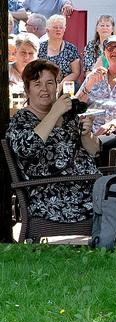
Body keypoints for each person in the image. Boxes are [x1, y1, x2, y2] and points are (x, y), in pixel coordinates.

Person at [6, 60, 100, 223]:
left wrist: (86, 135)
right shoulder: (21, 120)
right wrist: (54, 113)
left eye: (50, 82)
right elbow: (26, 149)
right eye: (37, 84)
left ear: (56, 86)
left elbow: (95, 151)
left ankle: (108, 237)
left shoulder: (68, 117)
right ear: (27, 90)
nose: (44, 88)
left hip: (88, 188)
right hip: (54, 197)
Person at [38, 14, 81, 85]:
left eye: (61, 27)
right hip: (44, 84)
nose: (58, 29)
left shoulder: (71, 48)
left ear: (64, 30)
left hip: (65, 86)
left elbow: (76, 73)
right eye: (55, 27)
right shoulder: (40, 47)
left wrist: (61, 85)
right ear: (48, 30)